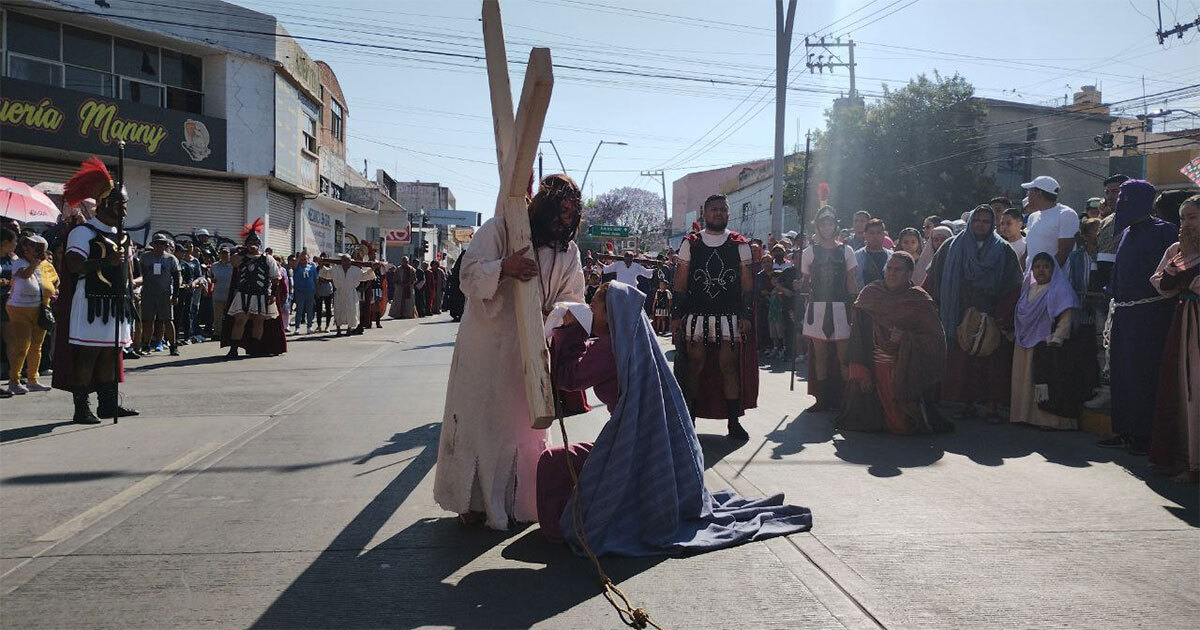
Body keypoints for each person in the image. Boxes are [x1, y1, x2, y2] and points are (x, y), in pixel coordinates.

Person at [536, 281, 812, 554]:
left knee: (554, 462)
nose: (589, 311)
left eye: (593, 306)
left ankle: (563, 529)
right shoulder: (635, 343)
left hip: (635, 455)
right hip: (657, 456)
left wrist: (570, 332)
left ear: (610, 314)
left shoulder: (610, 347)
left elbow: (569, 378)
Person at [434, 173, 586, 530]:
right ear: (546, 205)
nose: (564, 220)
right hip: (485, 347)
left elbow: (574, 298)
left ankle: (519, 502)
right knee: (478, 421)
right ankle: (471, 503)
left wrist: (555, 312)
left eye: (571, 213)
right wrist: (505, 267)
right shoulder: (500, 230)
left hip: (530, 352)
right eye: (560, 210)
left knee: (522, 428)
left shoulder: (570, 251)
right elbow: (468, 275)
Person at [52, 157, 139, 424]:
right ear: (105, 204)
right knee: (87, 355)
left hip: (117, 303)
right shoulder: (84, 232)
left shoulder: (123, 236)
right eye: (121, 204)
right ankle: (81, 408)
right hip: (91, 302)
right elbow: (74, 265)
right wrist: (104, 262)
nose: (124, 210)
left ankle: (108, 405)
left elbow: (129, 271)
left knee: (111, 355)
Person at [1098, 179, 1180, 454]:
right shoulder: (1126, 234)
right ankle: (1124, 430)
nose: (1120, 203)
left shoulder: (1165, 231)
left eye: (1126, 197)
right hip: (1123, 313)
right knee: (1121, 374)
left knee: (1143, 374)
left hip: (1150, 315)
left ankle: (1144, 434)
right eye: (1119, 198)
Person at [671, 193, 758, 440]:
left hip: (729, 316)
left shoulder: (739, 243)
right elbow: (680, 281)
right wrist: (677, 315)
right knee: (694, 367)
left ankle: (733, 422)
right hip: (696, 314)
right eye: (713, 209)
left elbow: (747, 284)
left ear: (728, 213)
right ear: (705, 213)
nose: (718, 213)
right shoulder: (691, 243)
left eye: (722, 209)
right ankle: (690, 421)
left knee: (729, 367)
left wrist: (746, 315)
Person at [924, 205, 1023, 421]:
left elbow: (1013, 285)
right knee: (962, 363)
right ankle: (966, 404)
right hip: (958, 313)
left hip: (990, 315)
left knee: (992, 363)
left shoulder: (1003, 249)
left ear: (992, 224)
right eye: (977, 220)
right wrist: (929, 305)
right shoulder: (951, 247)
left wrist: (1001, 314)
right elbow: (933, 278)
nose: (980, 224)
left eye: (986, 221)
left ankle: (992, 407)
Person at [836, 252, 951, 435]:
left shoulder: (919, 299)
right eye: (889, 268)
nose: (892, 273)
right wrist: (860, 372)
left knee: (905, 425)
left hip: (906, 370)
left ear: (909, 274)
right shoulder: (870, 295)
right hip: (874, 368)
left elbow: (935, 341)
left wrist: (906, 338)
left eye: (898, 270)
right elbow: (857, 338)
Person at [1148, 195, 1199, 483]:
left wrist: (1184, 276)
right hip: (1185, 321)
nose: (1187, 224)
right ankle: (1189, 461)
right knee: (1185, 388)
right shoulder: (1176, 250)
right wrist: (1181, 265)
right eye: (1183, 218)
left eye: (1193, 217)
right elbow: (1162, 284)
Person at [1010, 253, 1085, 430]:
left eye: (1046, 266)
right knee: (1025, 381)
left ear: (1053, 269)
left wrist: (1057, 338)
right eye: (1037, 267)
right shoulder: (1027, 289)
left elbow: (1067, 316)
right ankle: (1024, 417)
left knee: (1046, 382)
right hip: (1023, 344)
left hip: (1047, 345)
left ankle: (1048, 422)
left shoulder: (1059, 289)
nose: (1041, 270)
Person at [799, 206, 858, 410]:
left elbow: (851, 281)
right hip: (817, 307)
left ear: (835, 226)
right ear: (818, 225)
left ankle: (845, 399)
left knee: (843, 357)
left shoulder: (846, 250)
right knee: (820, 356)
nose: (826, 227)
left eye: (830, 223)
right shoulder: (808, 252)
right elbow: (805, 282)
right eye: (823, 223)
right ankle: (822, 400)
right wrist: (798, 288)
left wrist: (855, 304)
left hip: (841, 306)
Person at [5, 234, 55, 394]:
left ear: (40, 249)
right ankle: (14, 380)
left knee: (36, 346)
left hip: (39, 309)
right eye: (25, 245)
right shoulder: (18, 262)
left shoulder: (46, 264)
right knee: (21, 346)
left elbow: (54, 280)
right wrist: (34, 263)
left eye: (31, 245)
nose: (26, 247)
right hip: (19, 308)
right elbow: (25, 275)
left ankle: (33, 379)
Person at [224, 221, 280, 357]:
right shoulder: (240, 257)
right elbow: (233, 262)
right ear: (246, 244)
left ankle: (254, 348)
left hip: (261, 295)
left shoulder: (268, 259)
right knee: (239, 321)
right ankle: (234, 349)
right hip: (243, 294)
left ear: (260, 244)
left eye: (255, 242)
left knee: (258, 321)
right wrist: (243, 252)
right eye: (250, 242)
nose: (253, 244)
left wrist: (272, 295)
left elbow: (275, 277)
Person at [1021, 175, 1079, 269]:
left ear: (1038, 193)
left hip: (1053, 280)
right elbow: (1027, 252)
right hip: (1030, 279)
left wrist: (1044, 276)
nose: (1027, 194)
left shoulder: (1066, 214)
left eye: (1029, 191)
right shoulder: (1032, 217)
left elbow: (1063, 252)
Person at [138, 234, 181, 356]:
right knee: (148, 320)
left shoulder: (170, 259)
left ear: (165, 245)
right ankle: (146, 344)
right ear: (153, 245)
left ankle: (173, 345)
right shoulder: (145, 257)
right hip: (148, 293)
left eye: (162, 243)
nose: (159, 246)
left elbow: (176, 277)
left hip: (165, 294)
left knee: (168, 320)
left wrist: (175, 295)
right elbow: (140, 274)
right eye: (157, 243)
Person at [320, 253, 372, 336]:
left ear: (350, 261)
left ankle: (349, 329)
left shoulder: (355, 270)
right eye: (344, 261)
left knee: (351, 310)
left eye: (348, 261)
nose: (346, 263)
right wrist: (321, 264)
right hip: (339, 293)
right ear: (341, 261)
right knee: (338, 310)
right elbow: (326, 274)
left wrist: (372, 269)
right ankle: (338, 330)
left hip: (351, 293)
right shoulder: (336, 269)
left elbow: (364, 276)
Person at [854, 218, 892, 289]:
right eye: (871, 233)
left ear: (884, 235)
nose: (875, 236)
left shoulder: (892, 257)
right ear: (865, 235)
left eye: (879, 233)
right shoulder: (856, 256)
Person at [291, 251, 317, 334]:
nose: (303, 261)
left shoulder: (312, 267)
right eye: (302, 259)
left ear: (308, 259)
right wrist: (299, 257)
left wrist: (316, 290)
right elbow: (294, 265)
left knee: (310, 310)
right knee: (299, 309)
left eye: (305, 259)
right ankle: (297, 327)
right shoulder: (297, 267)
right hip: (300, 291)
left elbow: (315, 279)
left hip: (310, 291)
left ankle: (309, 326)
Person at [210, 248, 233, 340]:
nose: (224, 255)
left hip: (230, 295)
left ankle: (228, 333)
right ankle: (217, 333)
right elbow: (210, 276)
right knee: (217, 316)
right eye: (222, 253)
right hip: (218, 294)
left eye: (226, 253)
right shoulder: (214, 266)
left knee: (229, 316)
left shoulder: (233, 265)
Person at [315, 257, 335, 331]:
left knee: (328, 309)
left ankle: (327, 326)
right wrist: (316, 291)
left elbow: (332, 279)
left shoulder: (329, 269)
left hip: (328, 290)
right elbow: (316, 279)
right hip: (319, 290)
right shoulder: (316, 269)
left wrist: (325, 279)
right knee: (318, 309)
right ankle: (319, 325)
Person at [444, 255, 466, 322]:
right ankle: (459, 314)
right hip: (459, 289)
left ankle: (457, 314)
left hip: (457, 289)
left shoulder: (457, 269)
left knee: (457, 302)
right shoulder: (461, 268)